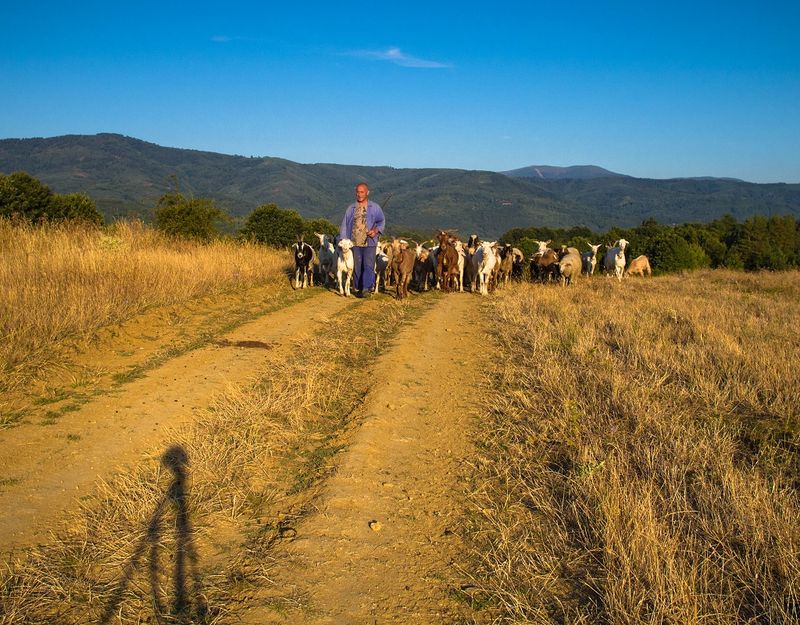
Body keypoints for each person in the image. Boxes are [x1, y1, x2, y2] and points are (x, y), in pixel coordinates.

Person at [340, 182, 385, 297]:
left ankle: (366, 288)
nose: (359, 194)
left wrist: (375, 231)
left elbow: (381, 221)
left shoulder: (375, 207)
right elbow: (344, 225)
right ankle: (358, 287)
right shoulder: (351, 208)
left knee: (368, 265)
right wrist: (344, 241)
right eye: (357, 192)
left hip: (370, 242)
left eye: (362, 192)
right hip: (354, 243)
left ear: (367, 192)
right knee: (357, 266)